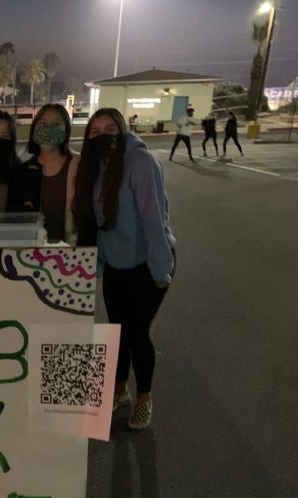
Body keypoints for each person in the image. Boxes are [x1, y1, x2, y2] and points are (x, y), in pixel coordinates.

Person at [72, 108, 175, 430]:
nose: (103, 135)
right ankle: (120, 390)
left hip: (147, 263)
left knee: (136, 333)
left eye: (110, 128)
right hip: (117, 263)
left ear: (122, 129)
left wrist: (161, 271)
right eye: (95, 131)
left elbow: (154, 219)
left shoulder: (140, 162)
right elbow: (100, 225)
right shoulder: (94, 168)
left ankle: (144, 398)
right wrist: (98, 264)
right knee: (116, 331)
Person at [12, 104, 80, 243]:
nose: (49, 128)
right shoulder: (23, 169)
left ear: (66, 129)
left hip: (71, 253)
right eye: (43, 123)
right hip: (31, 252)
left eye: (56, 123)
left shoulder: (79, 166)